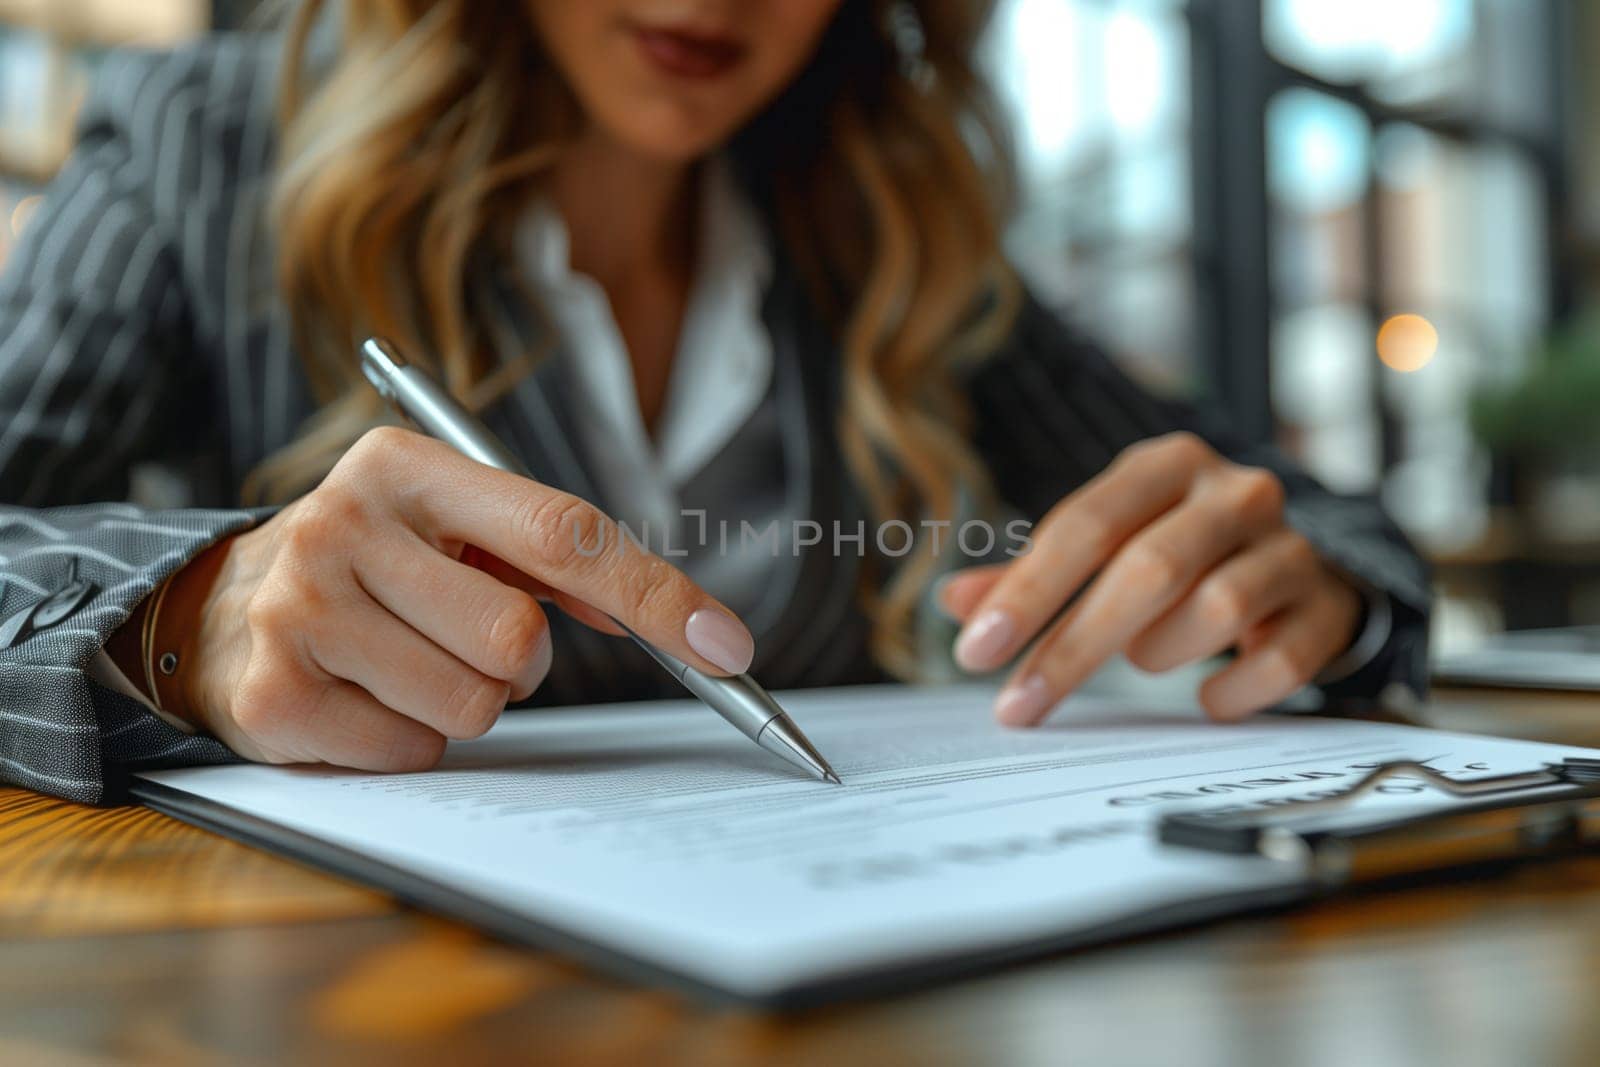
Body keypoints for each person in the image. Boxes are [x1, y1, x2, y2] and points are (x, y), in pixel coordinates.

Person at [0, 0, 1428, 805]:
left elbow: (1306, 519)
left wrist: (1314, 590)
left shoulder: (880, 234)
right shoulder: (204, 153)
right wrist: (183, 623)